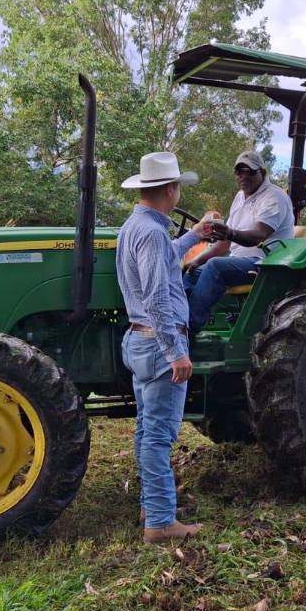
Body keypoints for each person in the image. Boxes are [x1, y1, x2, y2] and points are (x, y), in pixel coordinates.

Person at [116, 151, 210, 544]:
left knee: (145, 430)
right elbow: (157, 297)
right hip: (159, 344)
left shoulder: (134, 226)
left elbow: (166, 260)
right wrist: (176, 351)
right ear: (170, 189)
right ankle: (160, 523)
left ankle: (151, 504)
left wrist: (196, 235)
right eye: (178, 189)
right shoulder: (152, 232)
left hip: (138, 341)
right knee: (158, 436)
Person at [182, 150, 295, 333]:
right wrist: (196, 261)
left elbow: (258, 236)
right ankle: (176, 319)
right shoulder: (240, 197)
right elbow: (224, 245)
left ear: (262, 173)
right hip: (240, 261)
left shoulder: (274, 197)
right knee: (192, 271)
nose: (243, 176)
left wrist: (230, 233)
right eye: (238, 172)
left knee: (215, 266)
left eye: (249, 171)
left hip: (266, 264)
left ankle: (187, 328)